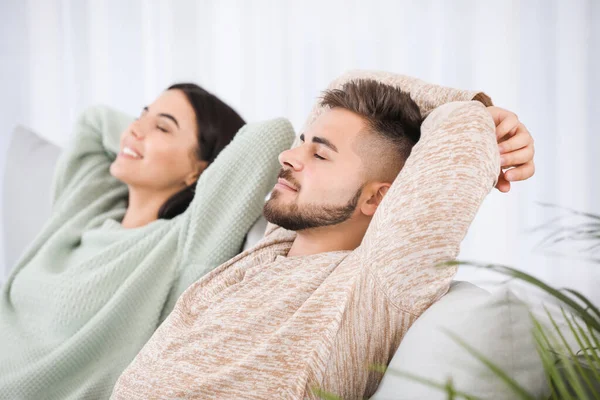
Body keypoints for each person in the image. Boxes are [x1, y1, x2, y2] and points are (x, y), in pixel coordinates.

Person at [111, 76, 535, 399]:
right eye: (301, 142)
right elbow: (343, 83)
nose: (289, 157)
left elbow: (461, 128)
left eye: (320, 153)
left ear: (377, 198)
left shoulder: (377, 279)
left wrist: (480, 114)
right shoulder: (271, 247)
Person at [0, 83, 296, 399]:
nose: (135, 128)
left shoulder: (186, 242)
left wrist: (144, 142)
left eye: (163, 127)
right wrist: (141, 137)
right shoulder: (88, 206)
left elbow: (273, 135)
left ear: (199, 169)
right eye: (141, 115)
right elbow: (92, 121)